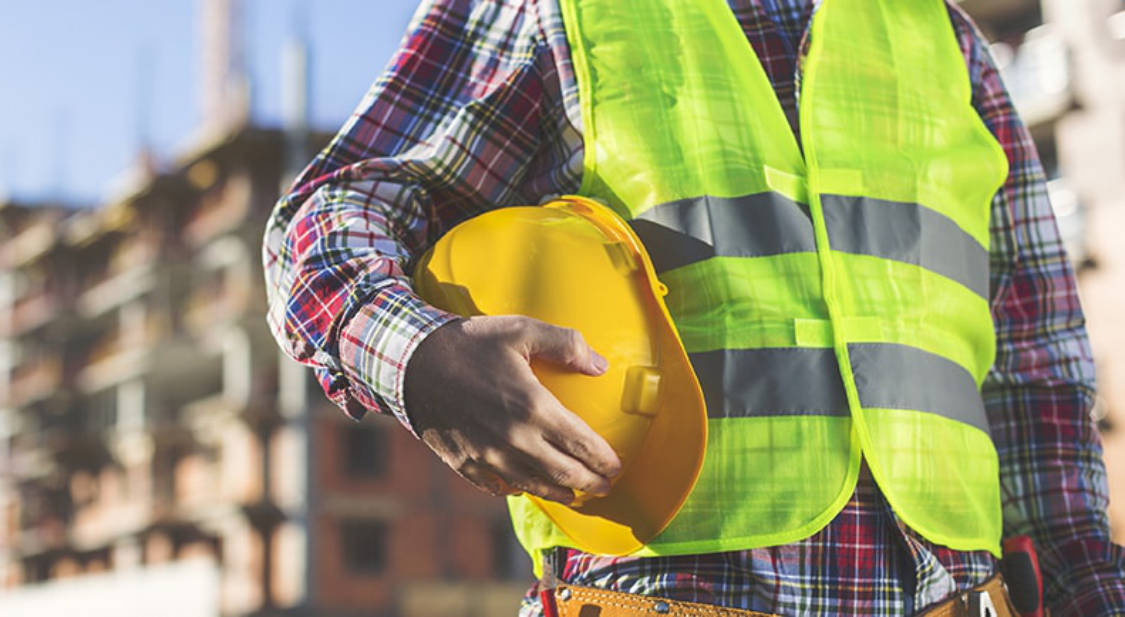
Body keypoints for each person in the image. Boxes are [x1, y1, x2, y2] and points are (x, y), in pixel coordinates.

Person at [262, 0, 1125, 614]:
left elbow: (1035, 372)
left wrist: (1090, 584)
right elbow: (325, 220)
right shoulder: (559, 10)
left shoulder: (946, 43)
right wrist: (419, 357)